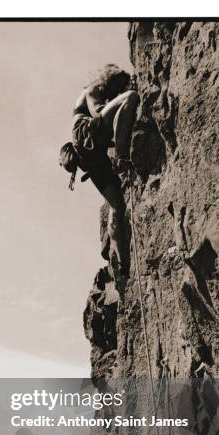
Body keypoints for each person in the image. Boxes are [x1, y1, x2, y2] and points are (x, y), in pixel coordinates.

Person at [72, 64, 140, 278]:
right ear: (109, 81)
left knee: (117, 206)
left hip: (93, 157)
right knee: (131, 97)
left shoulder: (102, 94)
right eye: (117, 86)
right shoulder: (92, 90)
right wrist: (119, 103)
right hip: (87, 138)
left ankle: (123, 264)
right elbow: (99, 113)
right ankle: (121, 157)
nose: (117, 92)